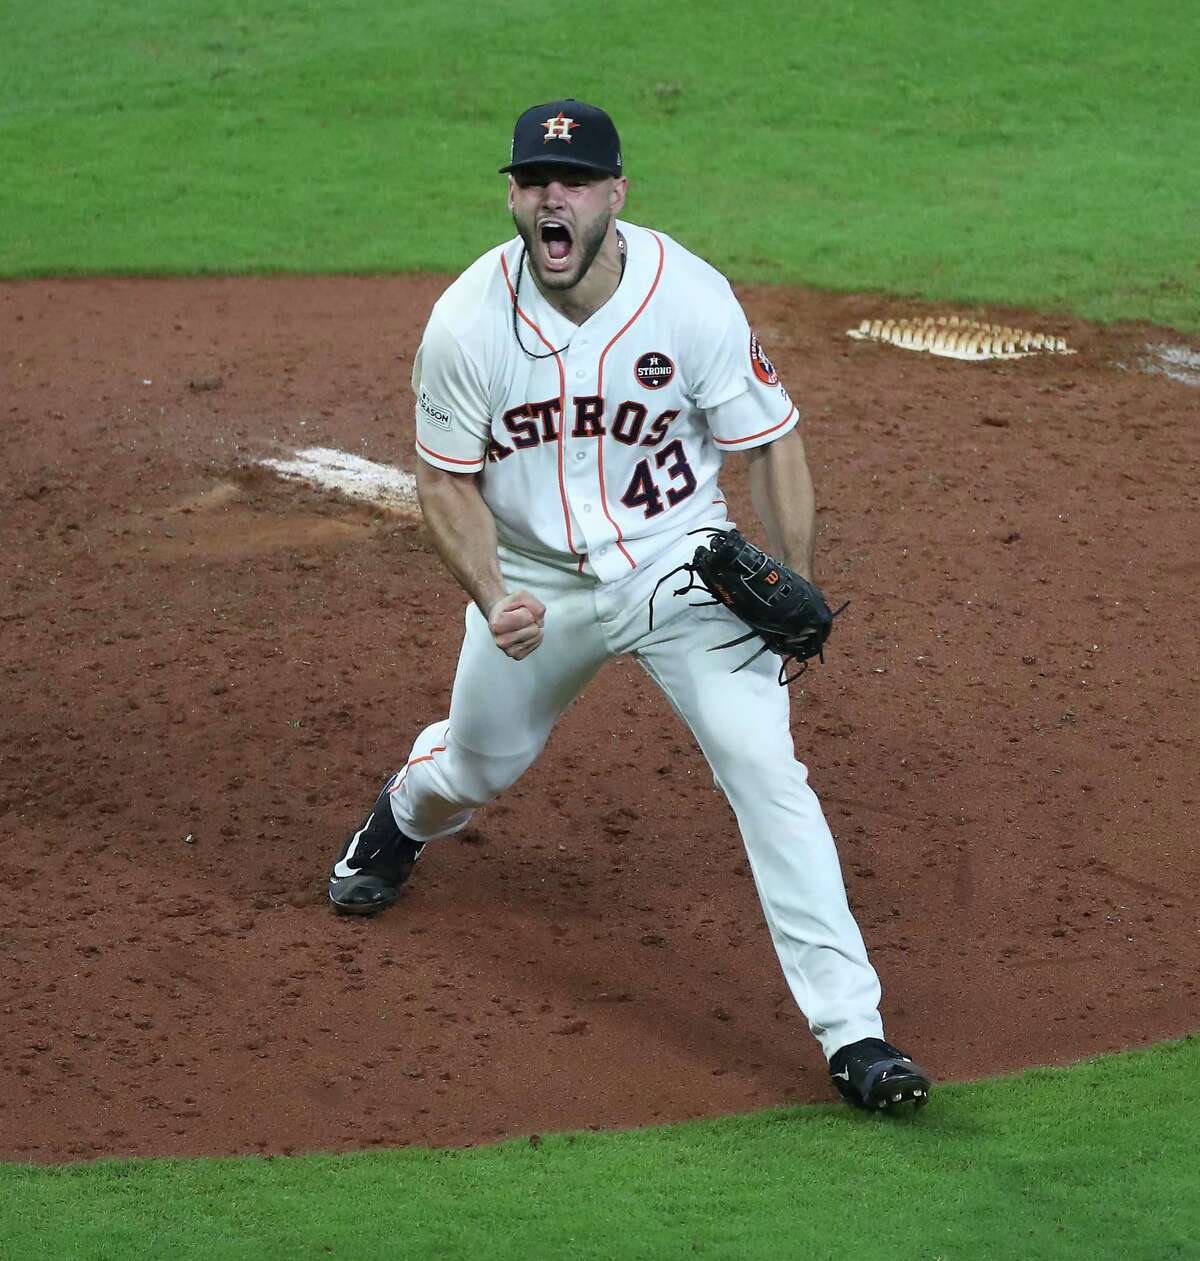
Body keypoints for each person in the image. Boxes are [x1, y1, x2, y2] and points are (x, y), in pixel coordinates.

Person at [328, 99, 931, 1111]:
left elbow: (771, 440)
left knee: (764, 765)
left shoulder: (688, 298)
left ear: (614, 193)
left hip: (679, 567)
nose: (550, 197)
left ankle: (854, 1032)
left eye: (572, 181)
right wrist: (491, 594)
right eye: (532, 181)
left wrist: (796, 580)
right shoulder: (466, 323)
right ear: (514, 197)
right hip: (534, 579)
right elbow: (442, 483)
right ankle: (399, 813)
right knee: (474, 769)